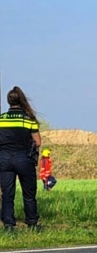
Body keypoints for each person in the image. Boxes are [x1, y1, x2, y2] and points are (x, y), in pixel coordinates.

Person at [0, 87, 42, 230]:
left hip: (4, 159)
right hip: (24, 158)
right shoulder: (29, 120)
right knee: (29, 193)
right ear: (22, 101)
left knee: (7, 194)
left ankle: (9, 225)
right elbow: (37, 142)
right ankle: (32, 223)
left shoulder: (1, 119)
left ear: (8, 101)